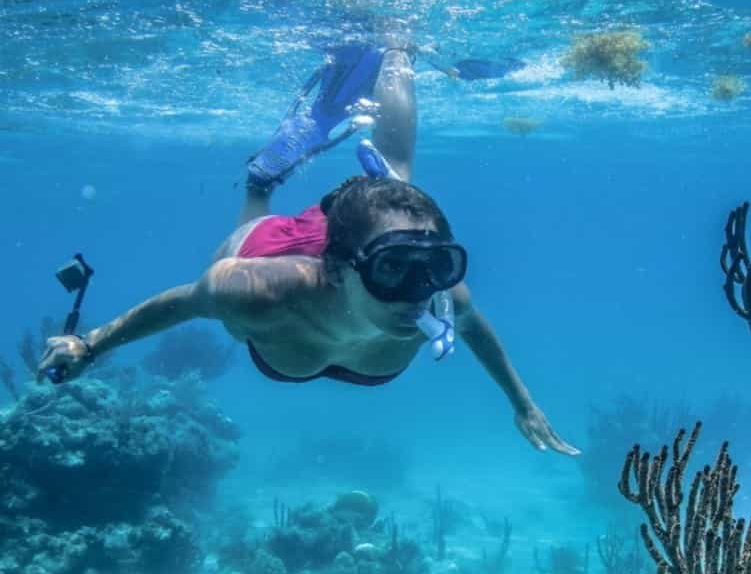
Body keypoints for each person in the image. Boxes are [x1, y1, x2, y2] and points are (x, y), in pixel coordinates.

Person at [38, 44, 579, 455]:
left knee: (399, 193)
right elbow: (182, 303)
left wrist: (522, 404)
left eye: (438, 265)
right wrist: (90, 344)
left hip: (349, 269)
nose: (420, 290)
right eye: (395, 269)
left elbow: (475, 328)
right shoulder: (253, 289)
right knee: (257, 209)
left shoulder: (437, 291)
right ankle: (264, 176)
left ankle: (398, 53)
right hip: (281, 252)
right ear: (341, 269)